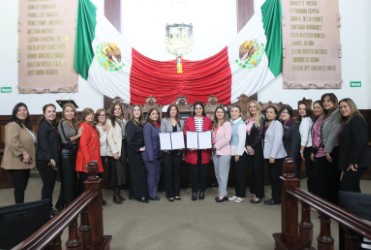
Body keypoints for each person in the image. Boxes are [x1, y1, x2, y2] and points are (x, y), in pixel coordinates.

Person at [1, 103, 36, 204]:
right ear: (15, 113)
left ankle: (20, 209)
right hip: (16, 162)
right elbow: (11, 142)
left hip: (25, 162)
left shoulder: (26, 126)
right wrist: (23, 153)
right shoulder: (12, 125)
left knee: (22, 188)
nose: (22, 112)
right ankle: (19, 211)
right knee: (20, 188)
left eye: (24, 110)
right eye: (19, 110)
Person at [338, 98, 370, 192]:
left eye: (345, 106)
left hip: (357, 162)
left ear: (352, 107)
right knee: (354, 187)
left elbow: (360, 141)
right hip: (354, 161)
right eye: (341, 107)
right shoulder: (349, 120)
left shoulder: (356, 119)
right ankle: (357, 207)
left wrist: (352, 162)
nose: (343, 109)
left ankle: (348, 207)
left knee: (346, 187)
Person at [184, 101, 212, 201]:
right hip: (193, 151)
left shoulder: (208, 120)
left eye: (200, 108)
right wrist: (189, 146)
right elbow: (185, 134)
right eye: (196, 108)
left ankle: (202, 191)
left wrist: (207, 145)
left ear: (203, 109)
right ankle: (194, 191)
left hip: (204, 151)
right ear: (194, 110)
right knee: (193, 173)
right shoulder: (189, 120)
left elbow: (210, 135)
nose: (198, 110)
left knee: (203, 173)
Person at [57, 103, 83, 209]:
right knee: (68, 180)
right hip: (65, 155)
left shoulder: (72, 122)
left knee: (72, 179)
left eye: (71, 111)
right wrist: (78, 135)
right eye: (67, 111)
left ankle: (63, 203)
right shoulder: (62, 122)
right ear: (63, 112)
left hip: (73, 154)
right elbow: (65, 140)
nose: (70, 113)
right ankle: (68, 206)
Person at [36, 103, 59, 215]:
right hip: (45, 161)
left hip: (50, 160)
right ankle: (45, 211)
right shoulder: (43, 126)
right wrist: (50, 158)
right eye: (49, 111)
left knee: (50, 186)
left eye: (53, 111)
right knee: (48, 187)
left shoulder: (50, 125)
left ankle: (49, 208)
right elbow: (43, 144)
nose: (52, 113)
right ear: (44, 114)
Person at [75, 108, 104, 194]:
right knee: (85, 182)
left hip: (94, 157)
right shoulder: (84, 126)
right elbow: (83, 145)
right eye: (88, 114)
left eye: (92, 114)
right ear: (84, 116)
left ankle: (94, 201)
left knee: (93, 181)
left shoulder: (91, 126)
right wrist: (88, 162)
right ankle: (84, 202)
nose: (91, 115)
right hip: (87, 159)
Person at [263, 105, 287, 205]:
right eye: (267, 112)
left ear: (276, 115)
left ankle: (277, 199)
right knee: (272, 178)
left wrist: (272, 155)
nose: (268, 114)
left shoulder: (277, 124)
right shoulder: (266, 124)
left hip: (276, 156)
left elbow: (277, 141)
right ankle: (275, 197)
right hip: (268, 155)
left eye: (271, 112)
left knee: (275, 178)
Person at [161, 104, 184, 202]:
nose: (173, 111)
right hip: (167, 151)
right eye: (171, 110)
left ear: (177, 111)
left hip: (178, 151)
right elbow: (162, 134)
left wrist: (181, 148)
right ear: (168, 111)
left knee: (177, 172)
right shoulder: (164, 121)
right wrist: (165, 147)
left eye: (175, 110)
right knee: (168, 172)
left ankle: (177, 193)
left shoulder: (181, 122)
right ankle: (170, 194)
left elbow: (183, 135)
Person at [320, 93, 341, 204]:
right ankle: (328, 205)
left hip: (333, 150)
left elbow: (334, 132)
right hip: (328, 150)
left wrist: (327, 150)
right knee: (327, 180)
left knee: (332, 180)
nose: (325, 103)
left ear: (334, 101)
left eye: (329, 100)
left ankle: (332, 206)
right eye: (324, 101)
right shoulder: (328, 114)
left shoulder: (337, 113)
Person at [126, 105, 149, 203]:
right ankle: (140, 195)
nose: (136, 112)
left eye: (138, 110)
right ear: (132, 112)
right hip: (133, 151)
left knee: (138, 173)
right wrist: (138, 148)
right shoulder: (130, 124)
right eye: (134, 110)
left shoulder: (141, 123)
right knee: (139, 174)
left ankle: (134, 193)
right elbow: (129, 140)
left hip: (140, 151)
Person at [106, 102, 127, 204]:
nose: (117, 110)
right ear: (112, 111)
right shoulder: (109, 121)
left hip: (122, 148)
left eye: (119, 109)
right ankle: (115, 195)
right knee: (116, 173)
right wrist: (115, 151)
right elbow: (108, 138)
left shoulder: (123, 120)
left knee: (121, 172)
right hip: (115, 150)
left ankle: (119, 193)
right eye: (115, 109)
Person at [245, 100, 265, 204]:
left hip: (257, 149)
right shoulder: (248, 120)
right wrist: (247, 146)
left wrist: (252, 146)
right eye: (250, 107)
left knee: (258, 172)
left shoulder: (261, 119)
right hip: (249, 149)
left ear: (257, 108)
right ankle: (254, 191)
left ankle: (259, 194)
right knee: (252, 171)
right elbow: (247, 135)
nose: (252, 108)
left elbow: (259, 135)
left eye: (254, 107)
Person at [211, 106, 231, 202]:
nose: (219, 113)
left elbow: (227, 138)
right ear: (215, 114)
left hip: (224, 152)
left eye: (221, 112)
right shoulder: (215, 124)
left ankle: (222, 195)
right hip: (215, 152)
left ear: (224, 114)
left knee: (223, 174)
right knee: (217, 174)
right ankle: (224, 193)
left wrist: (216, 146)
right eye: (217, 112)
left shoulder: (227, 124)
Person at [228, 105, 247, 203]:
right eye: (232, 111)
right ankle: (237, 194)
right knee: (235, 175)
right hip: (232, 152)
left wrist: (238, 154)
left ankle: (242, 195)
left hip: (239, 154)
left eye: (236, 111)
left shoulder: (241, 124)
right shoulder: (231, 123)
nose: (234, 113)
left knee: (240, 175)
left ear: (240, 113)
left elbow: (242, 141)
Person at [142, 108, 162, 200]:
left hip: (157, 156)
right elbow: (148, 142)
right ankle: (152, 195)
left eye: (156, 114)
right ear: (149, 116)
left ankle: (153, 192)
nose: (155, 115)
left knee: (157, 176)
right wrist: (151, 157)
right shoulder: (148, 126)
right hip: (150, 156)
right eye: (153, 114)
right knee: (152, 176)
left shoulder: (156, 126)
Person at [297, 100, 315, 194]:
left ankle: (312, 197)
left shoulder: (305, 121)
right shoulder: (307, 119)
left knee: (311, 175)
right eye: (300, 108)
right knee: (312, 174)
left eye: (304, 109)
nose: (301, 110)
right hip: (310, 147)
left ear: (308, 109)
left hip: (308, 148)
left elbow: (304, 138)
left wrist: (301, 151)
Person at [279, 105, 300, 177]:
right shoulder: (280, 123)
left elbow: (295, 143)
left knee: (290, 178)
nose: (283, 114)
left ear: (290, 114)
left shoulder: (294, 125)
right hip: (281, 155)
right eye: (282, 112)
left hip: (289, 156)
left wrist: (291, 159)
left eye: (286, 112)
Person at [310, 100, 325, 196]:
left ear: (323, 108)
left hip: (321, 152)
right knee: (317, 177)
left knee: (320, 178)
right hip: (318, 151)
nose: (315, 109)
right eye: (314, 107)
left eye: (318, 107)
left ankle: (320, 201)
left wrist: (313, 151)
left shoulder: (323, 119)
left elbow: (320, 137)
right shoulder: (318, 118)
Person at [95, 108, 109, 205]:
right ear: (97, 117)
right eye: (100, 115)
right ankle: (98, 199)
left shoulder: (106, 126)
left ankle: (100, 197)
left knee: (102, 178)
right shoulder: (96, 127)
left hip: (105, 155)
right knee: (98, 178)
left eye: (104, 115)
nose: (102, 117)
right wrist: (106, 132)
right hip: (98, 155)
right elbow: (100, 142)